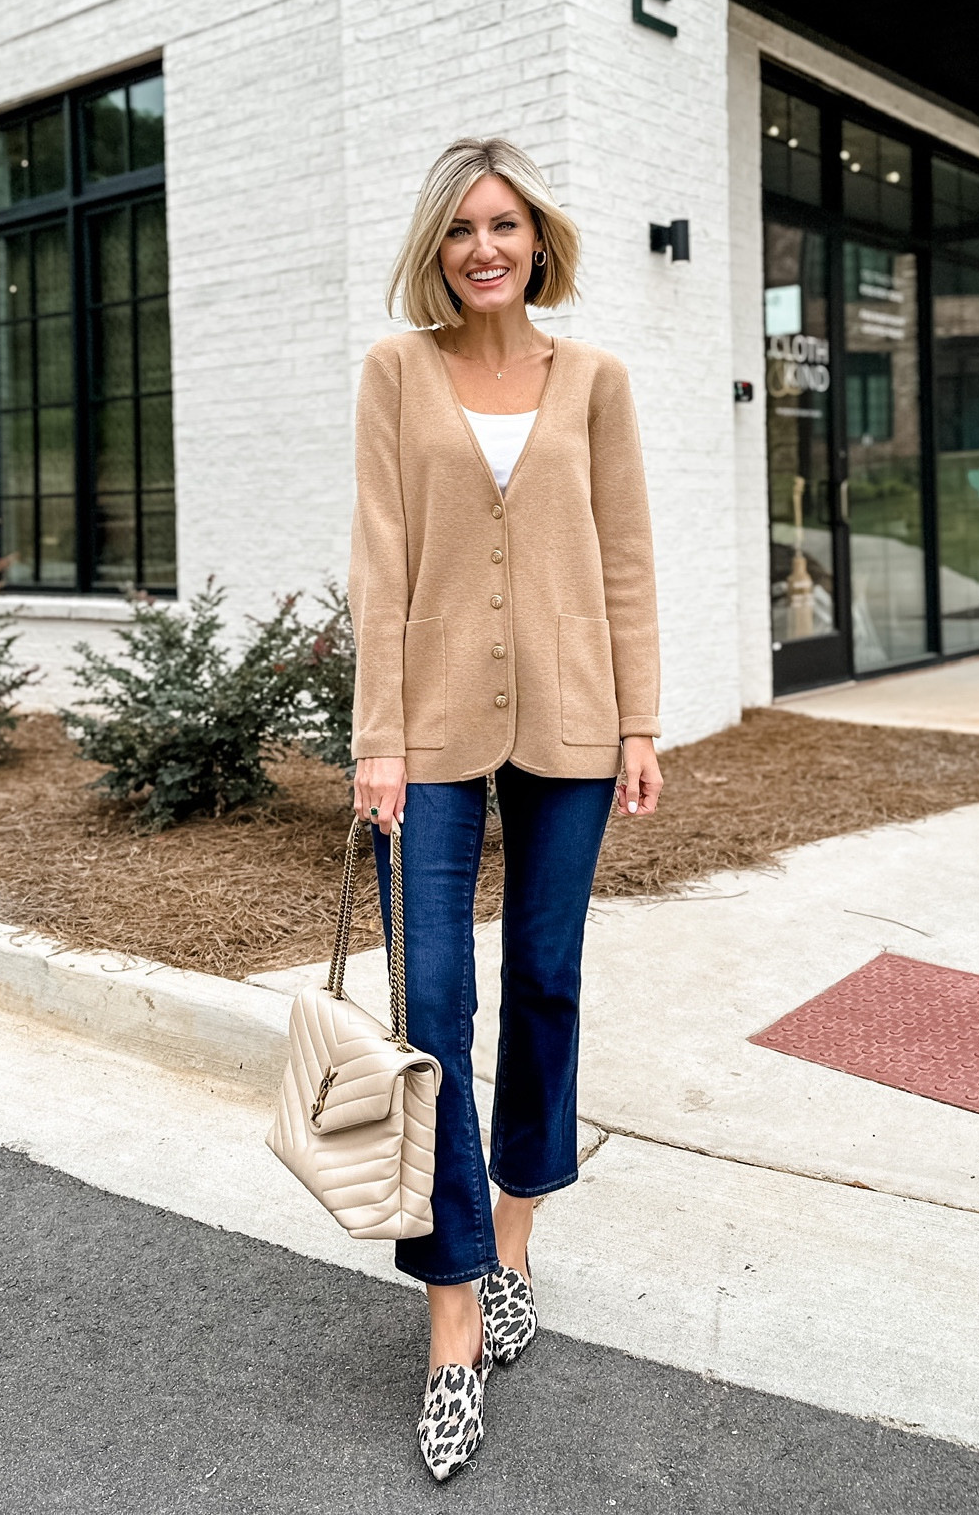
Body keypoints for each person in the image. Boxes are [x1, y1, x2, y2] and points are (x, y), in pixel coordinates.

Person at [349, 136, 663, 1479]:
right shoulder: (393, 373)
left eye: (508, 225)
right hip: (421, 733)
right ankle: (453, 1323)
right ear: (438, 247)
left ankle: (517, 1245)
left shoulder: (593, 381)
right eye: (464, 228)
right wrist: (375, 738)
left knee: (542, 979)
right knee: (433, 1011)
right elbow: (376, 564)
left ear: (537, 242)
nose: (486, 246)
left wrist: (640, 720)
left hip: (574, 720)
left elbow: (632, 559)